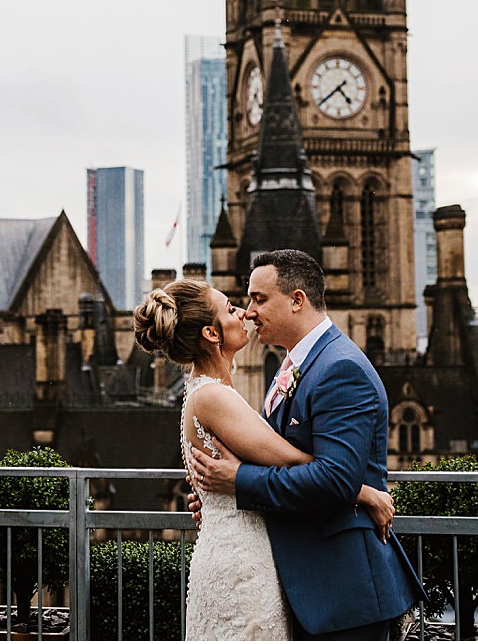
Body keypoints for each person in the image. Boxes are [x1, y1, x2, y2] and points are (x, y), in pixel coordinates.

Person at [133, 278, 396, 640]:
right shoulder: (214, 397)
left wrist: (225, 490)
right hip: (241, 568)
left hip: (246, 556)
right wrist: (364, 492)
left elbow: (257, 467)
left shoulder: (213, 392)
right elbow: (293, 462)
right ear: (211, 333)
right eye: (230, 309)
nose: (244, 312)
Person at [190, 249, 423, 640]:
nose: (248, 311)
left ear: (297, 300)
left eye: (259, 299)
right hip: (308, 587)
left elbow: (335, 480)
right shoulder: (295, 364)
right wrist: (223, 497)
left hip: (343, 591)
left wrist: (239, 482)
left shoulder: (340, 368)